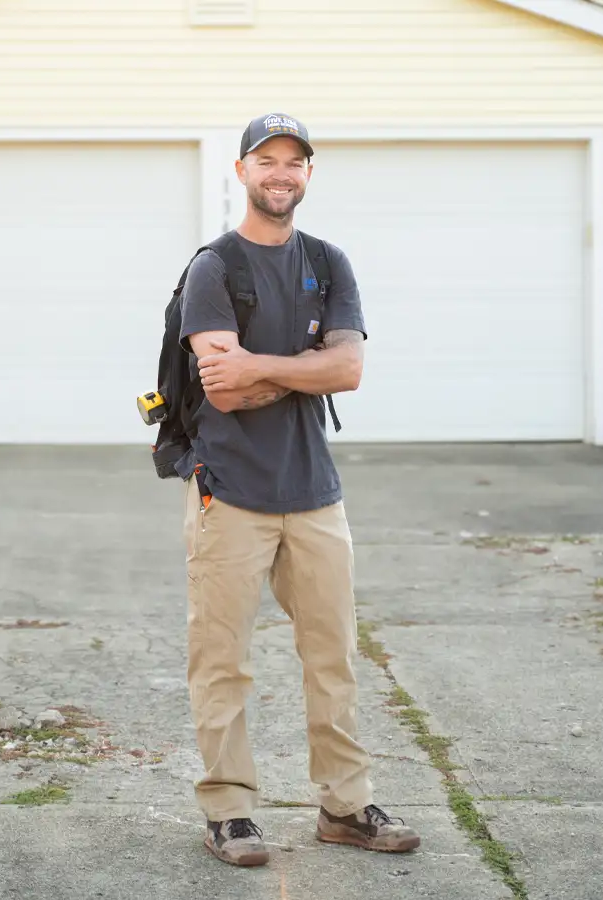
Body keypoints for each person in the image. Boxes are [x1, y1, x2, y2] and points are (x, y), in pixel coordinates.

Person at [177, 113, 421, 868]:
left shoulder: (328, 261)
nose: (281, 174)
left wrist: (261, 365)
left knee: (333, 654)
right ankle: (229, 814)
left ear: (308, 174)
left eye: (295, 162)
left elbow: (346, 370)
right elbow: (222, 391)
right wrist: (295, 366)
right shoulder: (214, 269)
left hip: (316, 492)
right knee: (222, 658)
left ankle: (344, 809)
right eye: (267, 160)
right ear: (242, 171)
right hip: (231, 493)